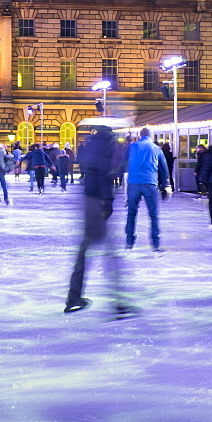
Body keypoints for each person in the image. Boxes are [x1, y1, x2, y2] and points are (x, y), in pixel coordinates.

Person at [65, 122, 133, 318]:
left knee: (87, 248)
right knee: (109, 253)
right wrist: (108, 201)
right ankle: (118, 303)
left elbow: (88, 169)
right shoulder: (109, 143)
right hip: (98, 200)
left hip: (89, 198)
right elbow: (104, 172)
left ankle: (74, 296)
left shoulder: (91, 142)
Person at [123, 128, 170, 252]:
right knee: (153, 215)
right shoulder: (156, 149)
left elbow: (122, 163)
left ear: (140, 135)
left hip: (133, 183)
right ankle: (155, 243)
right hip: (150, 183)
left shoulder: (131, 147)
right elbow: (164, 169)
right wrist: (165, 185)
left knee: (131, 213)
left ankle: (129, 241)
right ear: (151, 136)